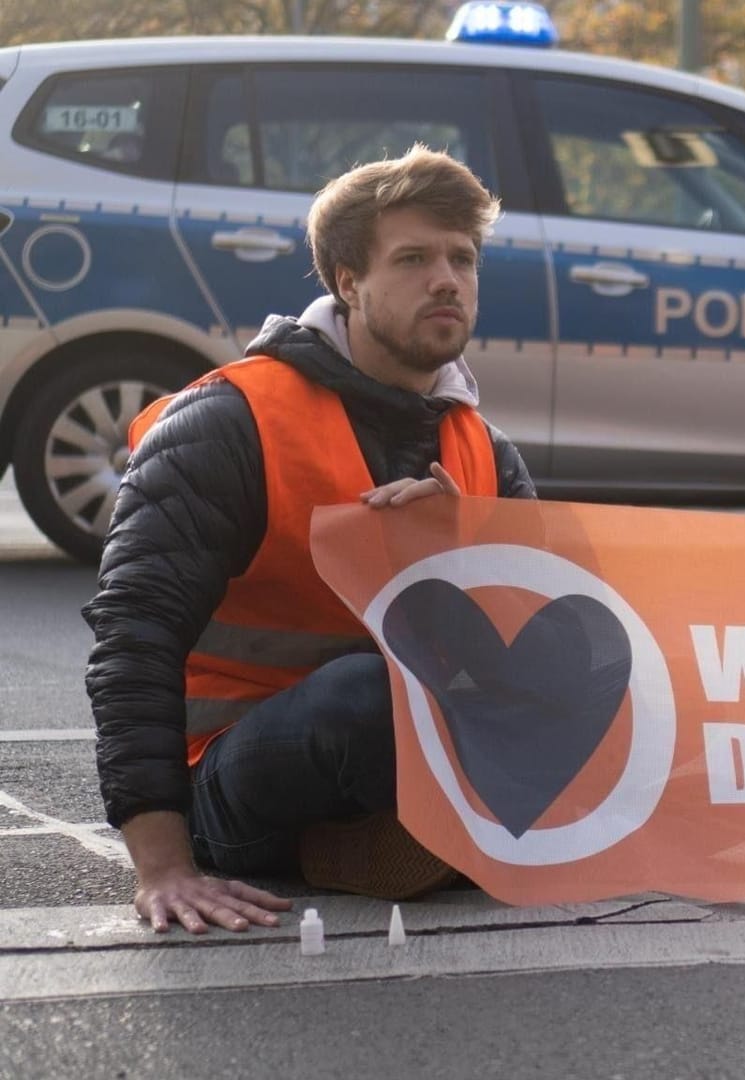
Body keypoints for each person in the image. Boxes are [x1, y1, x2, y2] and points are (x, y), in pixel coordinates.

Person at [84, 146, 537, 934]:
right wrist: (162, 867)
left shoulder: (486, 449)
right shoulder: (226, 423)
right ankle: (417, 838)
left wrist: (470, 549)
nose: (447, 279)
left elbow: (546, 653)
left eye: (463, 258)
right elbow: (133, 636)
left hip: (410, 757)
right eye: (414, 258)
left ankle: (393, 839)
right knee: (365, 694)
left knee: (620, 663)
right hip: (233, 776)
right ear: (347, 282)